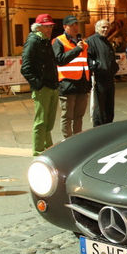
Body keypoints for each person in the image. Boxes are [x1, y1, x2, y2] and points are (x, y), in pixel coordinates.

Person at [20, 13, 58, 156]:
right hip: (44, 87)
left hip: (51, 85)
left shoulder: (44, 40)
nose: (49, 29)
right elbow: (26, 68)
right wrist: (38, 84)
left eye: (51, 26)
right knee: (41, 121)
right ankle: (38, 150)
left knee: (48, 121)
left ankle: (48, 147)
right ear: (38, 27)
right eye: (46, 27)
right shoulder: (34, 41)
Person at [52, 14, 91, 139]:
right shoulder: (58, 41)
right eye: (72, 25)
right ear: (65, 26)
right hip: (67, 83)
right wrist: (76, 50)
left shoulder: (83, 42)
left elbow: (85, 62)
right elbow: (59, 60)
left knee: (79, 115)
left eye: (76, 24)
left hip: (82, 83)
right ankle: (68, 141)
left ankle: (78, 139)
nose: (75, 27)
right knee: (67, 116)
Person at [86, 19, 118, 126]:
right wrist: (96, 67)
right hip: (99, 79)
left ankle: (108, 127)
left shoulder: (107, 42)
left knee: (109, 107)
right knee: (99, 108)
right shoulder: (91, 41)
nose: (105, 29)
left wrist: (114, 68)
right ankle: (99, 129)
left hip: (109, 78)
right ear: (97, 28)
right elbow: (88, 58)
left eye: (107, 27)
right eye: (103, 27)